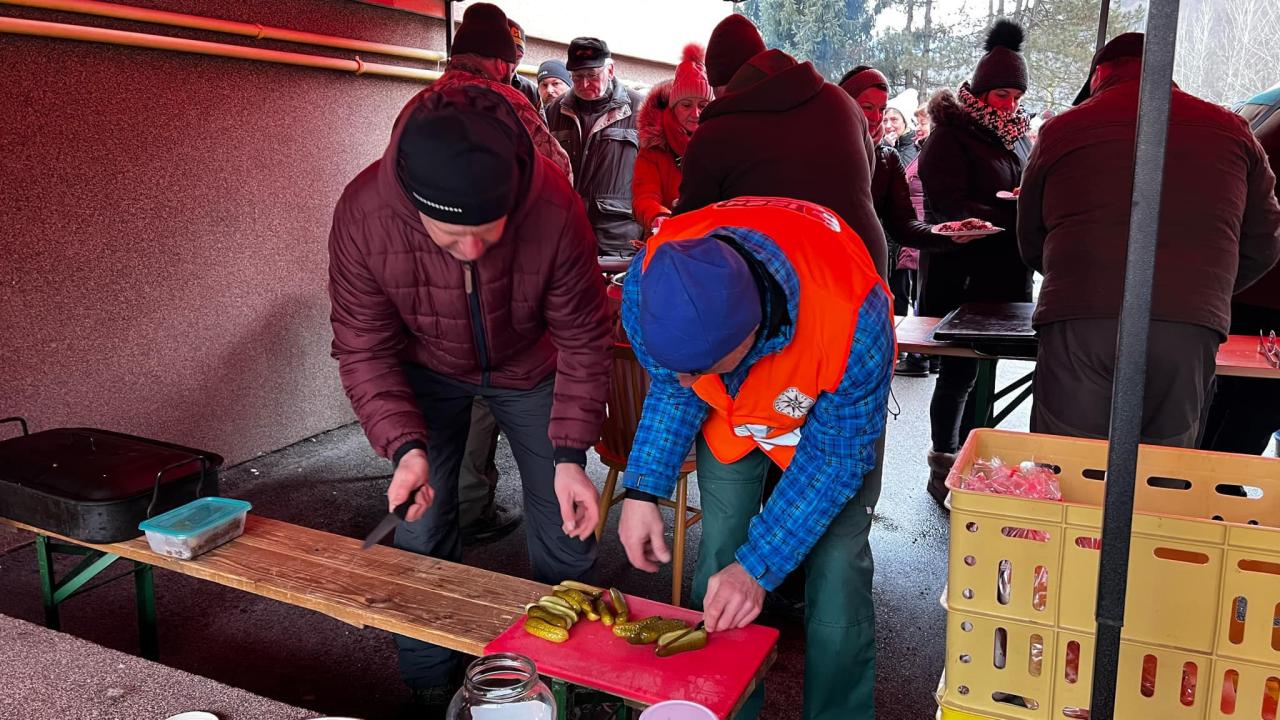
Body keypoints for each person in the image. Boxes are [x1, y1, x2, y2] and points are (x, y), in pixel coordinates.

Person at [327, 84, 610, 712]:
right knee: (421, 524)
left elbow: (585, 338)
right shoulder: (364, 213)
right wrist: (404, 448)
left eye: (489, 232)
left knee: (566, 526)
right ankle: (430, 680)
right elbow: (364, 347)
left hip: (531, 366)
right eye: (452, 238)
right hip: (426, 366)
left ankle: (572, 678)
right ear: (414, 208)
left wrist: (571, 455)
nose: (474, 251)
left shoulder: (554, 207)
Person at [616, 197, 894, 720]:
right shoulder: (648, 279)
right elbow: (674, 387)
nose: (686, 382)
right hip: (733, 416)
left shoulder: (855, 315)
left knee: (837, 569)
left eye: (703, 366)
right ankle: (718, 706)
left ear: (755, 332)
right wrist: (642, 490)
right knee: (721, 551)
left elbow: (835, 460)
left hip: (826, 421)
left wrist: (758, 568)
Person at [1019, 33, 1280, 447]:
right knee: (1166, 464)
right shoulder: (1233, 130)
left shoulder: (1062, 130)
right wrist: (1205, 289)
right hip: (1188, 325)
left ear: (1099, 74)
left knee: (1070, 458)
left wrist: (1070, 275)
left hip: (1081, 315)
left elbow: (1031, 236)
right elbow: (1265, 240)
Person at [918, 19, 1035, 506]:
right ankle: (944, 462)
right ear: (981, 91)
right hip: (961, 274)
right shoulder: (950, 135)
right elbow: (947, 203)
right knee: (959, 374)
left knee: (986, 374)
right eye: (1002, 95)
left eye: (1016, 96)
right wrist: (1011, 211)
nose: (1009, 105)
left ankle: (977, 459)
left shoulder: (1018, 137)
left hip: (1006, 273)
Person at [679, 14, 888, 278]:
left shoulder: (715, 132)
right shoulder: (841, 101)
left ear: (721, 86)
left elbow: (688, 228)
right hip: (866, 269)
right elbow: (864, 177)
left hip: (793, 283)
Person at [842, 67, 962, 381]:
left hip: (870, 285)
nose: (876, 117)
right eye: (867, 107)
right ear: (843, 103)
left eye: (882, 109)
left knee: (865, 380)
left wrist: (947, 234)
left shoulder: (887, 158)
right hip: (822, 286)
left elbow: (904, 224)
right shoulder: (818, 152)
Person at [1201, 100, 1280, 455]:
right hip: (1263, 294)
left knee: (1226, 396)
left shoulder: (1263, 113)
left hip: (1237, 286)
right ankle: (1216, 481)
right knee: (1259, 401)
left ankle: (1201, 477)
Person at [428, 3, 571, 180]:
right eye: (511, 57)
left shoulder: (426, 98)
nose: (513, 65)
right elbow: (558, 169)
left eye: (519, 57)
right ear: (500, 59)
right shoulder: (511, 101)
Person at [545, 37, 644, 257]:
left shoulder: (641, 109)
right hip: (566, 235)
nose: (584, 84)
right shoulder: (554, 111)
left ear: (610, 70)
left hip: (618, 239)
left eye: (592, 75)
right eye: (577, 76)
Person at [632, 44, 713, 236]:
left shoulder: (720, 143)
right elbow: (644, 196)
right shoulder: (654, 147)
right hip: (666, 237)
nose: (695, 113)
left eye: (703, 106)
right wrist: (659, 216)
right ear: (673, 106)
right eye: (686, 105)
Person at [506, 19, 540, 109]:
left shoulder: (531, 90)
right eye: (506, 57)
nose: (512, 64)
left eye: (518, 57)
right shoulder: (475, 85)